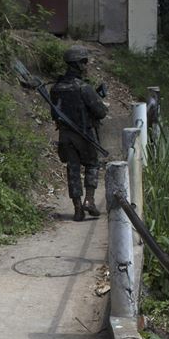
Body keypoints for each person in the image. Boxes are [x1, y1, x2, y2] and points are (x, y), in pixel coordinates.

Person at [50, 45, 108, 221]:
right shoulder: (84, 88)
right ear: (78, 64)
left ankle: (77, 209)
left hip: (65, 135)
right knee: (92, 164)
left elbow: (54, 113)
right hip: (84, 134)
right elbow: (101, 112)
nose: (86, 65)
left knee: (73, 168)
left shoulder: (56, 88)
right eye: (84, 62)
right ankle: (89, 201)